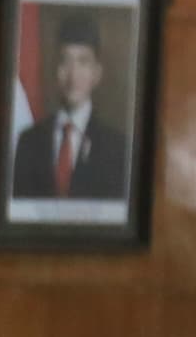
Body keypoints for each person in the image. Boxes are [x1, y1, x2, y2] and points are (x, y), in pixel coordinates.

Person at [8, 17, 128, 204]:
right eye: (65, 61)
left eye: (83, 62)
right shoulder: (28, 142)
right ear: (55, 69)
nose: (73, 75)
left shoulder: (117, 148)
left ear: (97, 73)